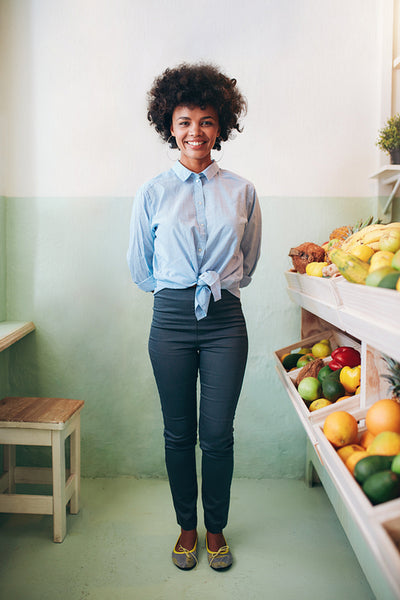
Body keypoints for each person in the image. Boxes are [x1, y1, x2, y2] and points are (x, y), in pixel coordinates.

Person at [127, 62, 261, 571]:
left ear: (220, 127)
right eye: (184, 121)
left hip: (226, 320)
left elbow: (246, 262)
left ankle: (217, 529)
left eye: (206, 121)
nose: (195, 132)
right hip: (172, 321)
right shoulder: (153, 192)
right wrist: (179, 294)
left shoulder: (243, 191)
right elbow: (141, 266)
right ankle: (187, 527)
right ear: (170, 126)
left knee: (219, 433)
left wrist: (216, 287)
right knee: (179, 433)